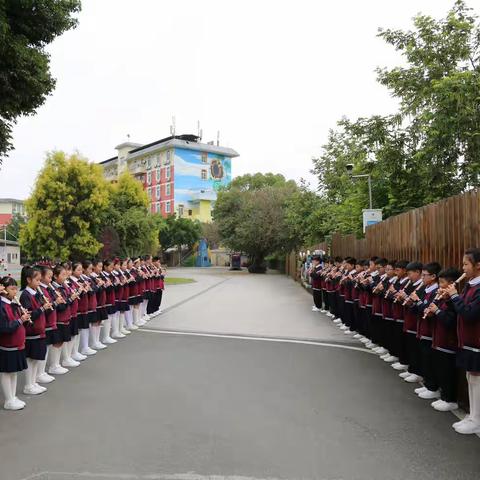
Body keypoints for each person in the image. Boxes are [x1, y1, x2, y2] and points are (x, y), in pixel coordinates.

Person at [445, 248, 480, 434]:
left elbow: (470, 313)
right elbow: (460, 309)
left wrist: (454, 296)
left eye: (466, 264)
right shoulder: (469, 285)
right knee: (471, 378)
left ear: (478, 265)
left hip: (476, 342)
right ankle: (474, 415)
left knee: (477, 379)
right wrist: (451, 298)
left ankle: (477, 419)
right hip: (467, 341)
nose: (463, 268)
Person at [424, 267, 461, 412]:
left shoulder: (454, 300)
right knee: (440, 369)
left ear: (451, 283)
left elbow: (450, 321)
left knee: (447, 372)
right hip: (438, 340)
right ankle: (443, 396)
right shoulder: (443, 298)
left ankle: (450, 399)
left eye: (442, 283)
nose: (440, 286)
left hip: (448, 342)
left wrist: (437, 310)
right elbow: (437, 316)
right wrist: (433, 311)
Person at [412, 262, 441, 399]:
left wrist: (418, 302)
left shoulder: (436, 291)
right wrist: (413, 301)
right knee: (425, 358)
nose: (422, 278)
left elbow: (428, 308)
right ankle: (427, 384)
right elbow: (419, 307)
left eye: (425, 275)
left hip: (431, 332)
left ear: (434, 276)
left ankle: (432, 387)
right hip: (423, 329)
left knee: (430, 360)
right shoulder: (426, 289)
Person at [20, 265, 51, 395]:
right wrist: (43, 308)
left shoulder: (37, 293)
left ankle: (33, 382)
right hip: (32, 332)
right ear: (28, 280)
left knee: (36, 359)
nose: (39, 283)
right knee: (30, 359)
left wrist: (47, 306)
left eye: (39, 280)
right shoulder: (25, 295)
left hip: (39, 331)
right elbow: (30, 314)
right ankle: (28, 385)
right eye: (37, 280)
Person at [0, 276, 29, 410]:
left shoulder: (14, 304)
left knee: (14, 371)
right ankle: (8, 399)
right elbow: (4, 327)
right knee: (6, 372)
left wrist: (24, 317)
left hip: (17, 344)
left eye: (16, 288)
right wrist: (20, 320)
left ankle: (13, 396)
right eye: (12, 289)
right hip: (7, 345)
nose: (15, 291)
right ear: (3, 290)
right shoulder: (2, 306)